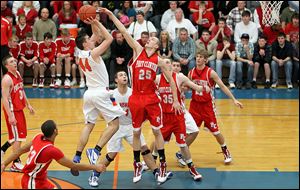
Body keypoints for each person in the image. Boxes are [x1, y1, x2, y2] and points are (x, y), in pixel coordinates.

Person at [100, 7, 182, 184]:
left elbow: (172, 82)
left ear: (156, 45)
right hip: (136, 97)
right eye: (148, 38)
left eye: (151, 38)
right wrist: (111, 14)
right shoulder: (137, 49)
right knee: (135, 132)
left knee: (156, 130)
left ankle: (163, 164)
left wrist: (175, 100)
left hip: (152, 98)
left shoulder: (159, 61)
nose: (147, 39)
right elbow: (122, 30)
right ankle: (137, 163)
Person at [72, 18, 125, 186]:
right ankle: (96, 151)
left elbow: (96, 34)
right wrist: (100, 23)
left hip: (89, 93)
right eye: (88, 40)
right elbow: (109, 38)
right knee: (115, 124)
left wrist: (93, 20)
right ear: (86, 44)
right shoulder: (93, 53)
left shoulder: (80, 53)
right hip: (102, 92)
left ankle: (77, 155)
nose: (91, 39)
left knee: (88, 125)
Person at [95, 71, 172, 187]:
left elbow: (144, 110)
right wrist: (110, 118)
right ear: (116, 80)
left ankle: (157, 173)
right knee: (111, 154)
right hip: (116, 127)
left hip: (131, 126)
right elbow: (101, 113)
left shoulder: (133, 93)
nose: (124, 76)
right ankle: (95, 174)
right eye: (121, 75)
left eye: (125, 75)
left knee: (145, 149)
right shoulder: (111, 95)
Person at [1, 120, 106, 189]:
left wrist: (4, 163)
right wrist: (96, 167)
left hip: (40, 180)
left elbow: (19, 151)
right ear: (55, 131)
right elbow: (74, 166)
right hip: (32, 183)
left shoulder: (38, 137)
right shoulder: (51, 150)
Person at [153, 59, 209, 181]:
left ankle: (192, 168)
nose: (167, 64)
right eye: (165, 62)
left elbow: (195, 86)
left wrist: (202, 88)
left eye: (169, 62)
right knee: (159, 141)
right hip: (164, 117)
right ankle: (153, 161)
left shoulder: (179, 77)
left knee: (183, 144)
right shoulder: (157, 79)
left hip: (177, 116)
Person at [188, 49, 243, 164]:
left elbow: (222, 86)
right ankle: (183, 153)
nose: (198, 58)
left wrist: (234, 99)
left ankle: (225, 150)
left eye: (201, 57)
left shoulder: (210, 73)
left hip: (207, 106)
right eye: (197, 56)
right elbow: (186, 87)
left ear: (205, 60)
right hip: (194, 106)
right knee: (191, 132)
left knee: (215, 132)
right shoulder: (191, 72)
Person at [1, 54, 35, 172]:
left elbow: (21, 89)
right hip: (12, 111)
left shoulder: (18, 74)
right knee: (17, 137)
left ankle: (2, 149)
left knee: (20, 135)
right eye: (11, 62)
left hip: (19, 109)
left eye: (14, 61)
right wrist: (10, 116)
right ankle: (15, 162)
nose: (14, 63)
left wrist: (28, 104)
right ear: (6, 66)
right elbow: (4, 99)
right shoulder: (6, 79)